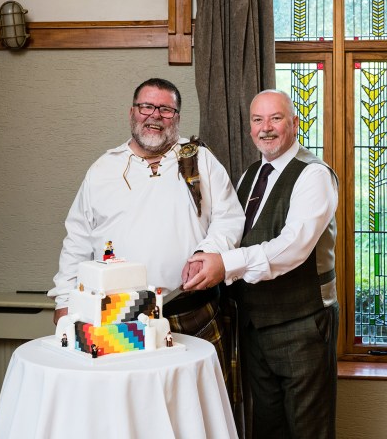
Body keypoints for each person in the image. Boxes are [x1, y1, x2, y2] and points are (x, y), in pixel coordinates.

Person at [47, 78, 245, 410]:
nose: (155, 116)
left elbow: (228, 218)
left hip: (191, 311)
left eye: (166, 109)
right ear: (132, 112)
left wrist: (207, 252)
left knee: (197, 412)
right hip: (117, 320)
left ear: (177, 117)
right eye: (146, 107)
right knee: (131, 412)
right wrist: (64, 301)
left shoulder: (200, 160)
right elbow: (77, 240)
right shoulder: (102, 170)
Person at [183, 89, 339, 439]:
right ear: (250, 128)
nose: (266, 128)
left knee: (308, 430)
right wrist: (204, 254)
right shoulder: (251, 174)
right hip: (256, 325)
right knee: (267, 428)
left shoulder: (314, 175)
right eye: (258, 120)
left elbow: (291, 248)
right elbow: (234, 230)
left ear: (295, 123)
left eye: (275, 118)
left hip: (303, 324)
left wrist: (224, 265)